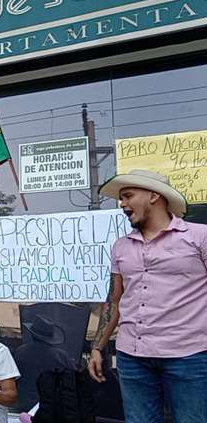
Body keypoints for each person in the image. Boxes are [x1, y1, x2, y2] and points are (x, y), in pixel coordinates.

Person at [89, 169, 207, 422]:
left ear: (154, 195)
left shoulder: (199, 237)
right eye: (121, 199)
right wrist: (97, 347)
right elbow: (114, 300)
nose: (122, 204)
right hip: (132, 357)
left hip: (189, 355)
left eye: (128, 196)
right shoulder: (121, 246)